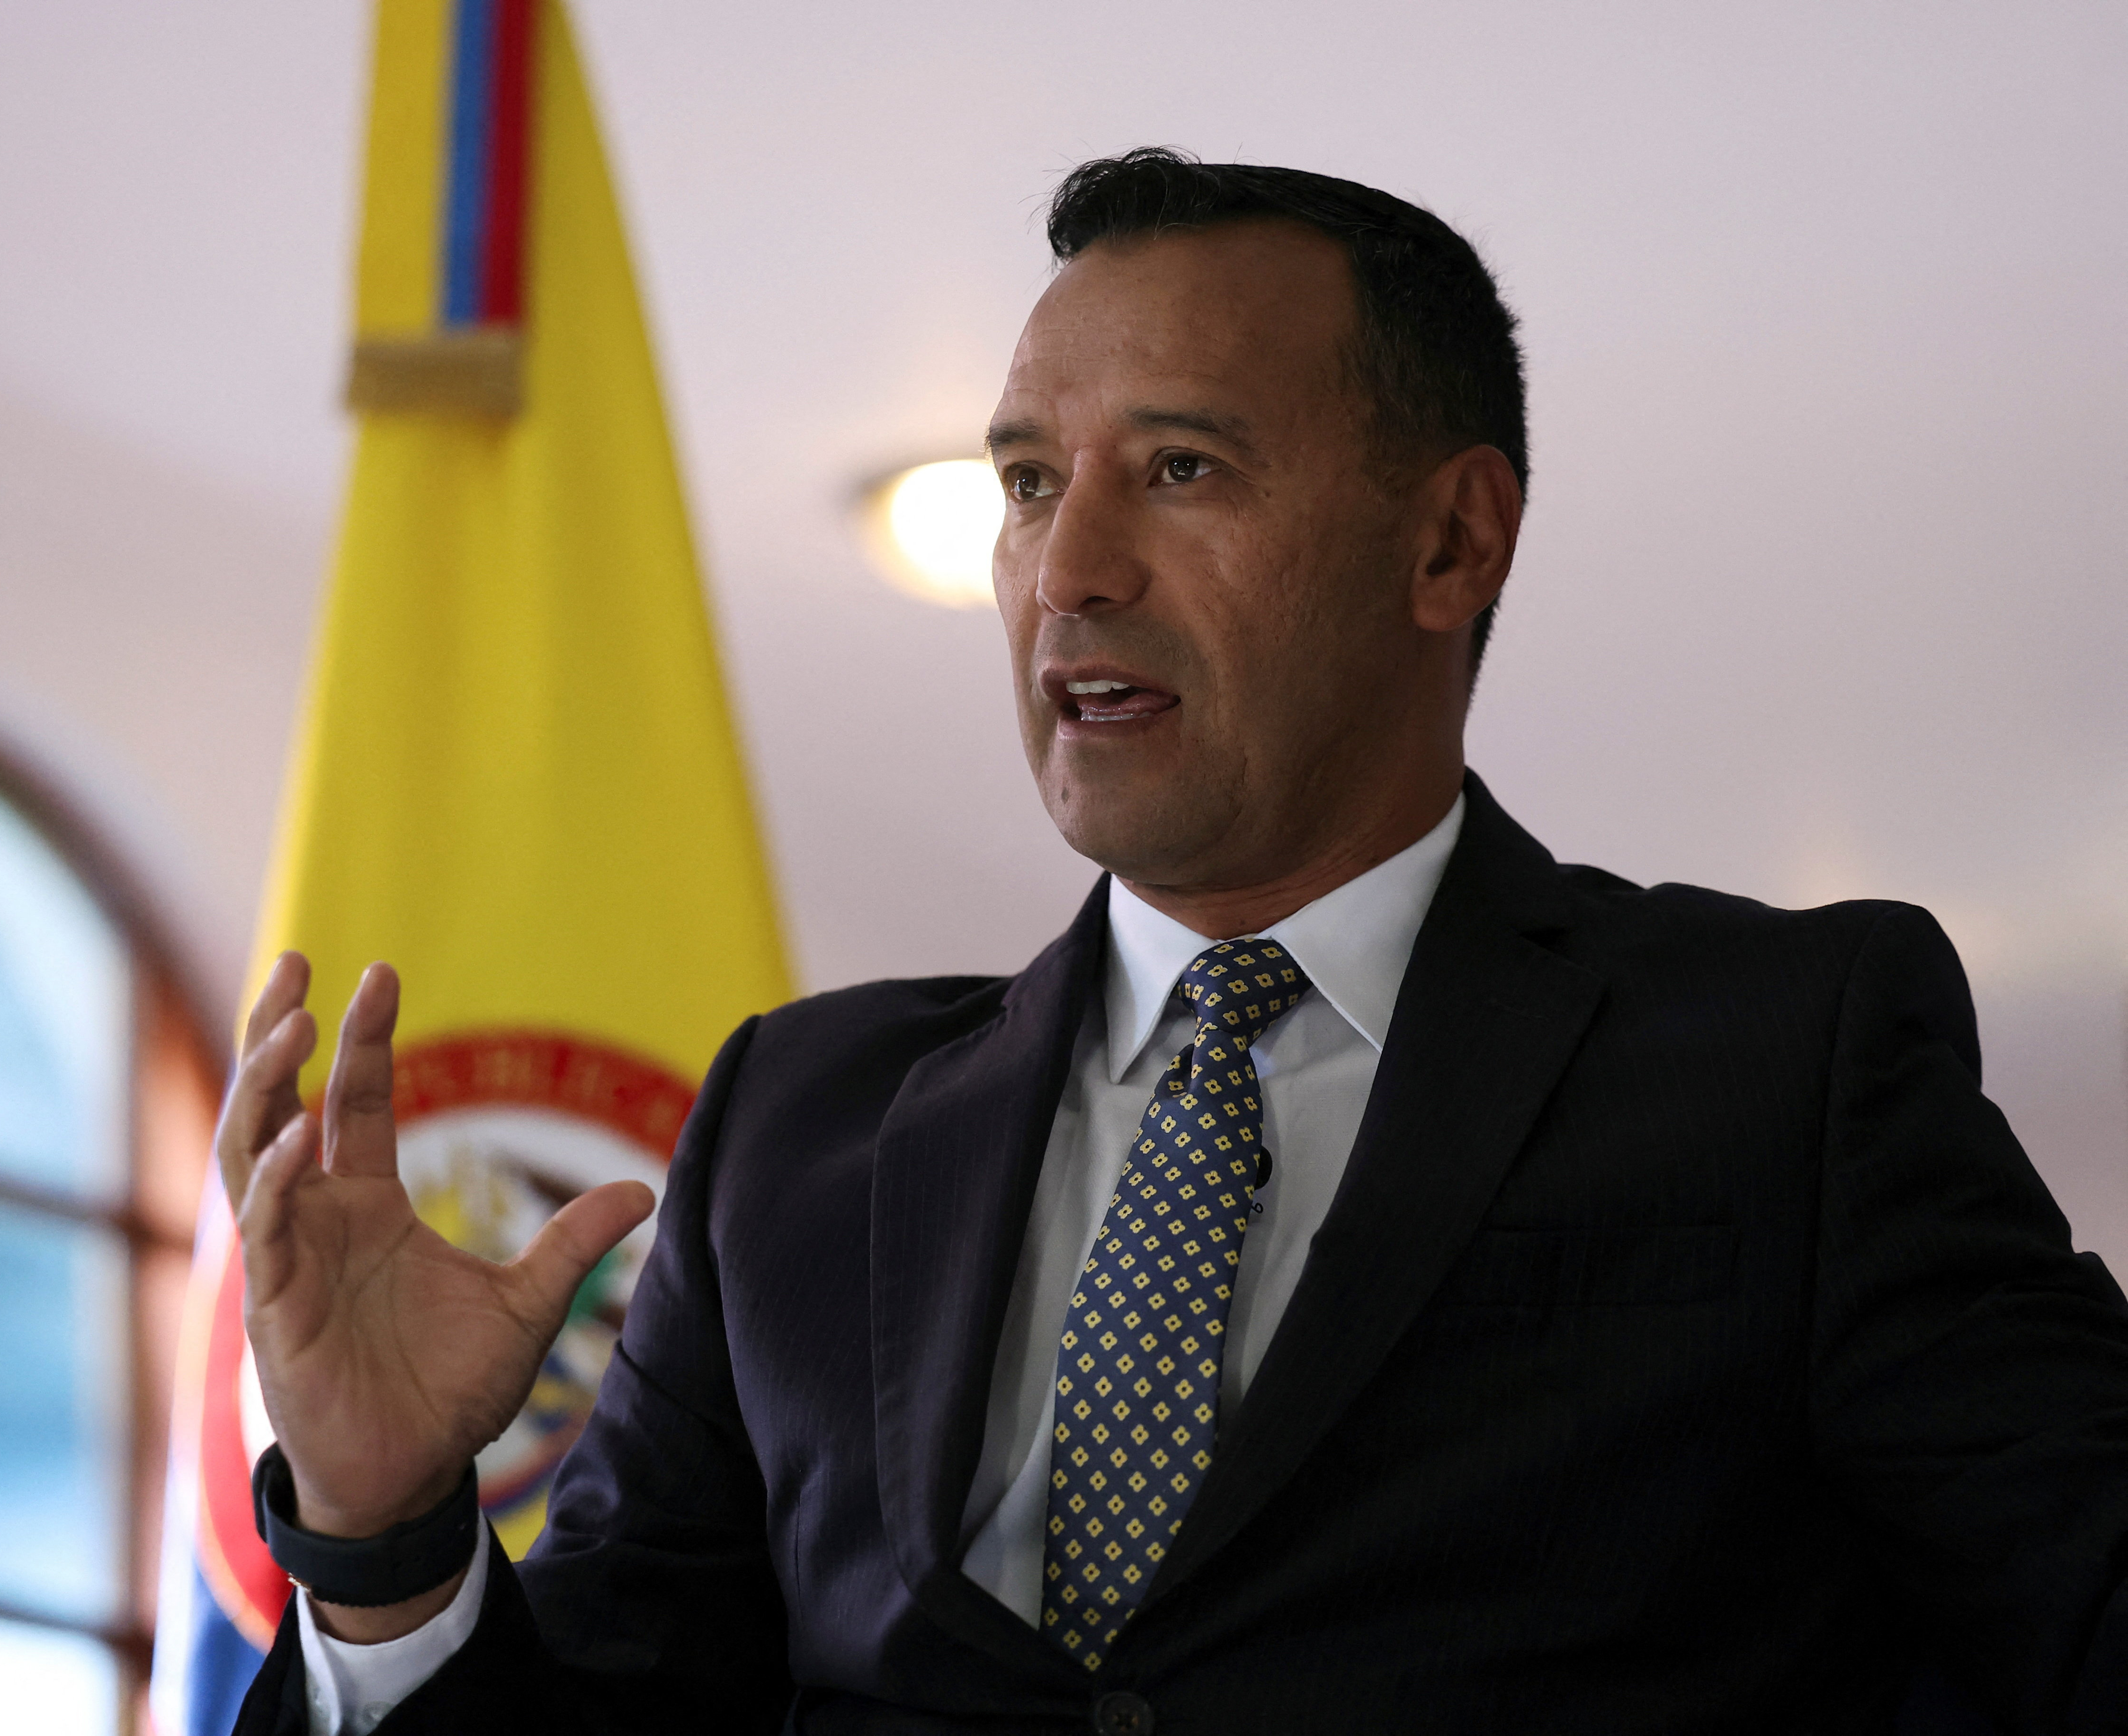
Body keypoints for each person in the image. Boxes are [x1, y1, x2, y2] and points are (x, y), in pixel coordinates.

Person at [215, 151, 2128, 1734]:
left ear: (1450, 545)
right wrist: (385, 1533)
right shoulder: (795, 1130)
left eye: (1182, 469)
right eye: (1031, 482)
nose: (1070, 569)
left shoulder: (1781, 1061)